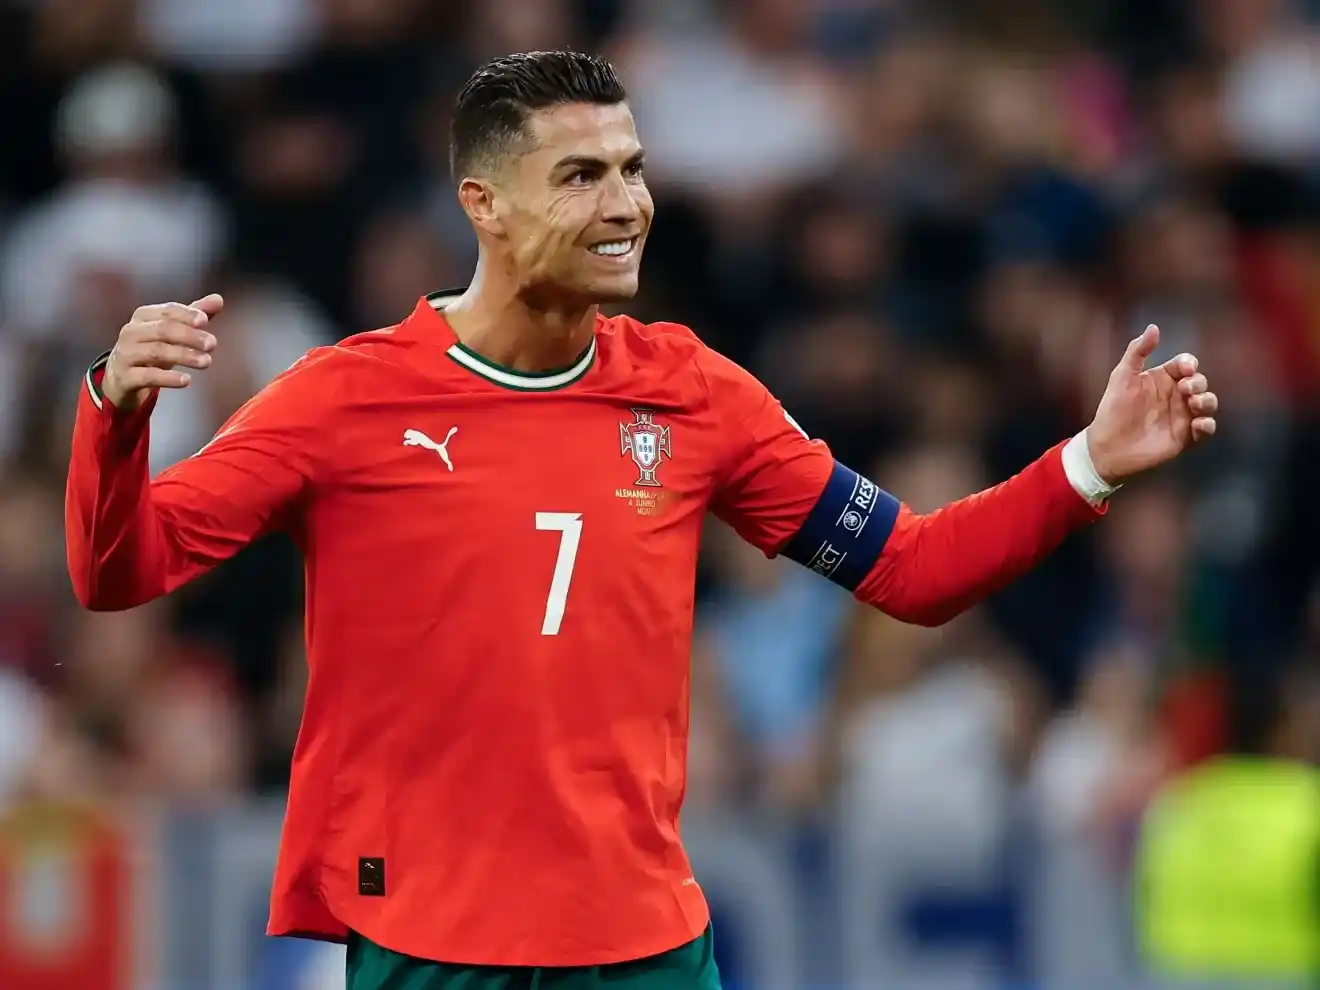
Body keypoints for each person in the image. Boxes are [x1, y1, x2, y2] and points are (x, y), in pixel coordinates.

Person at [65, 51, 1219, 990]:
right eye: (581, 177)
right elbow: (123, 572)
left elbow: (910, 570)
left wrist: (1088, 465)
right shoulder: (347, 398)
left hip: (642, 955)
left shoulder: (693, 393)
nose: (627, 205)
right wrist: (113, 415)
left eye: (633, 168)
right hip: (430, 947)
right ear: (487, 206)